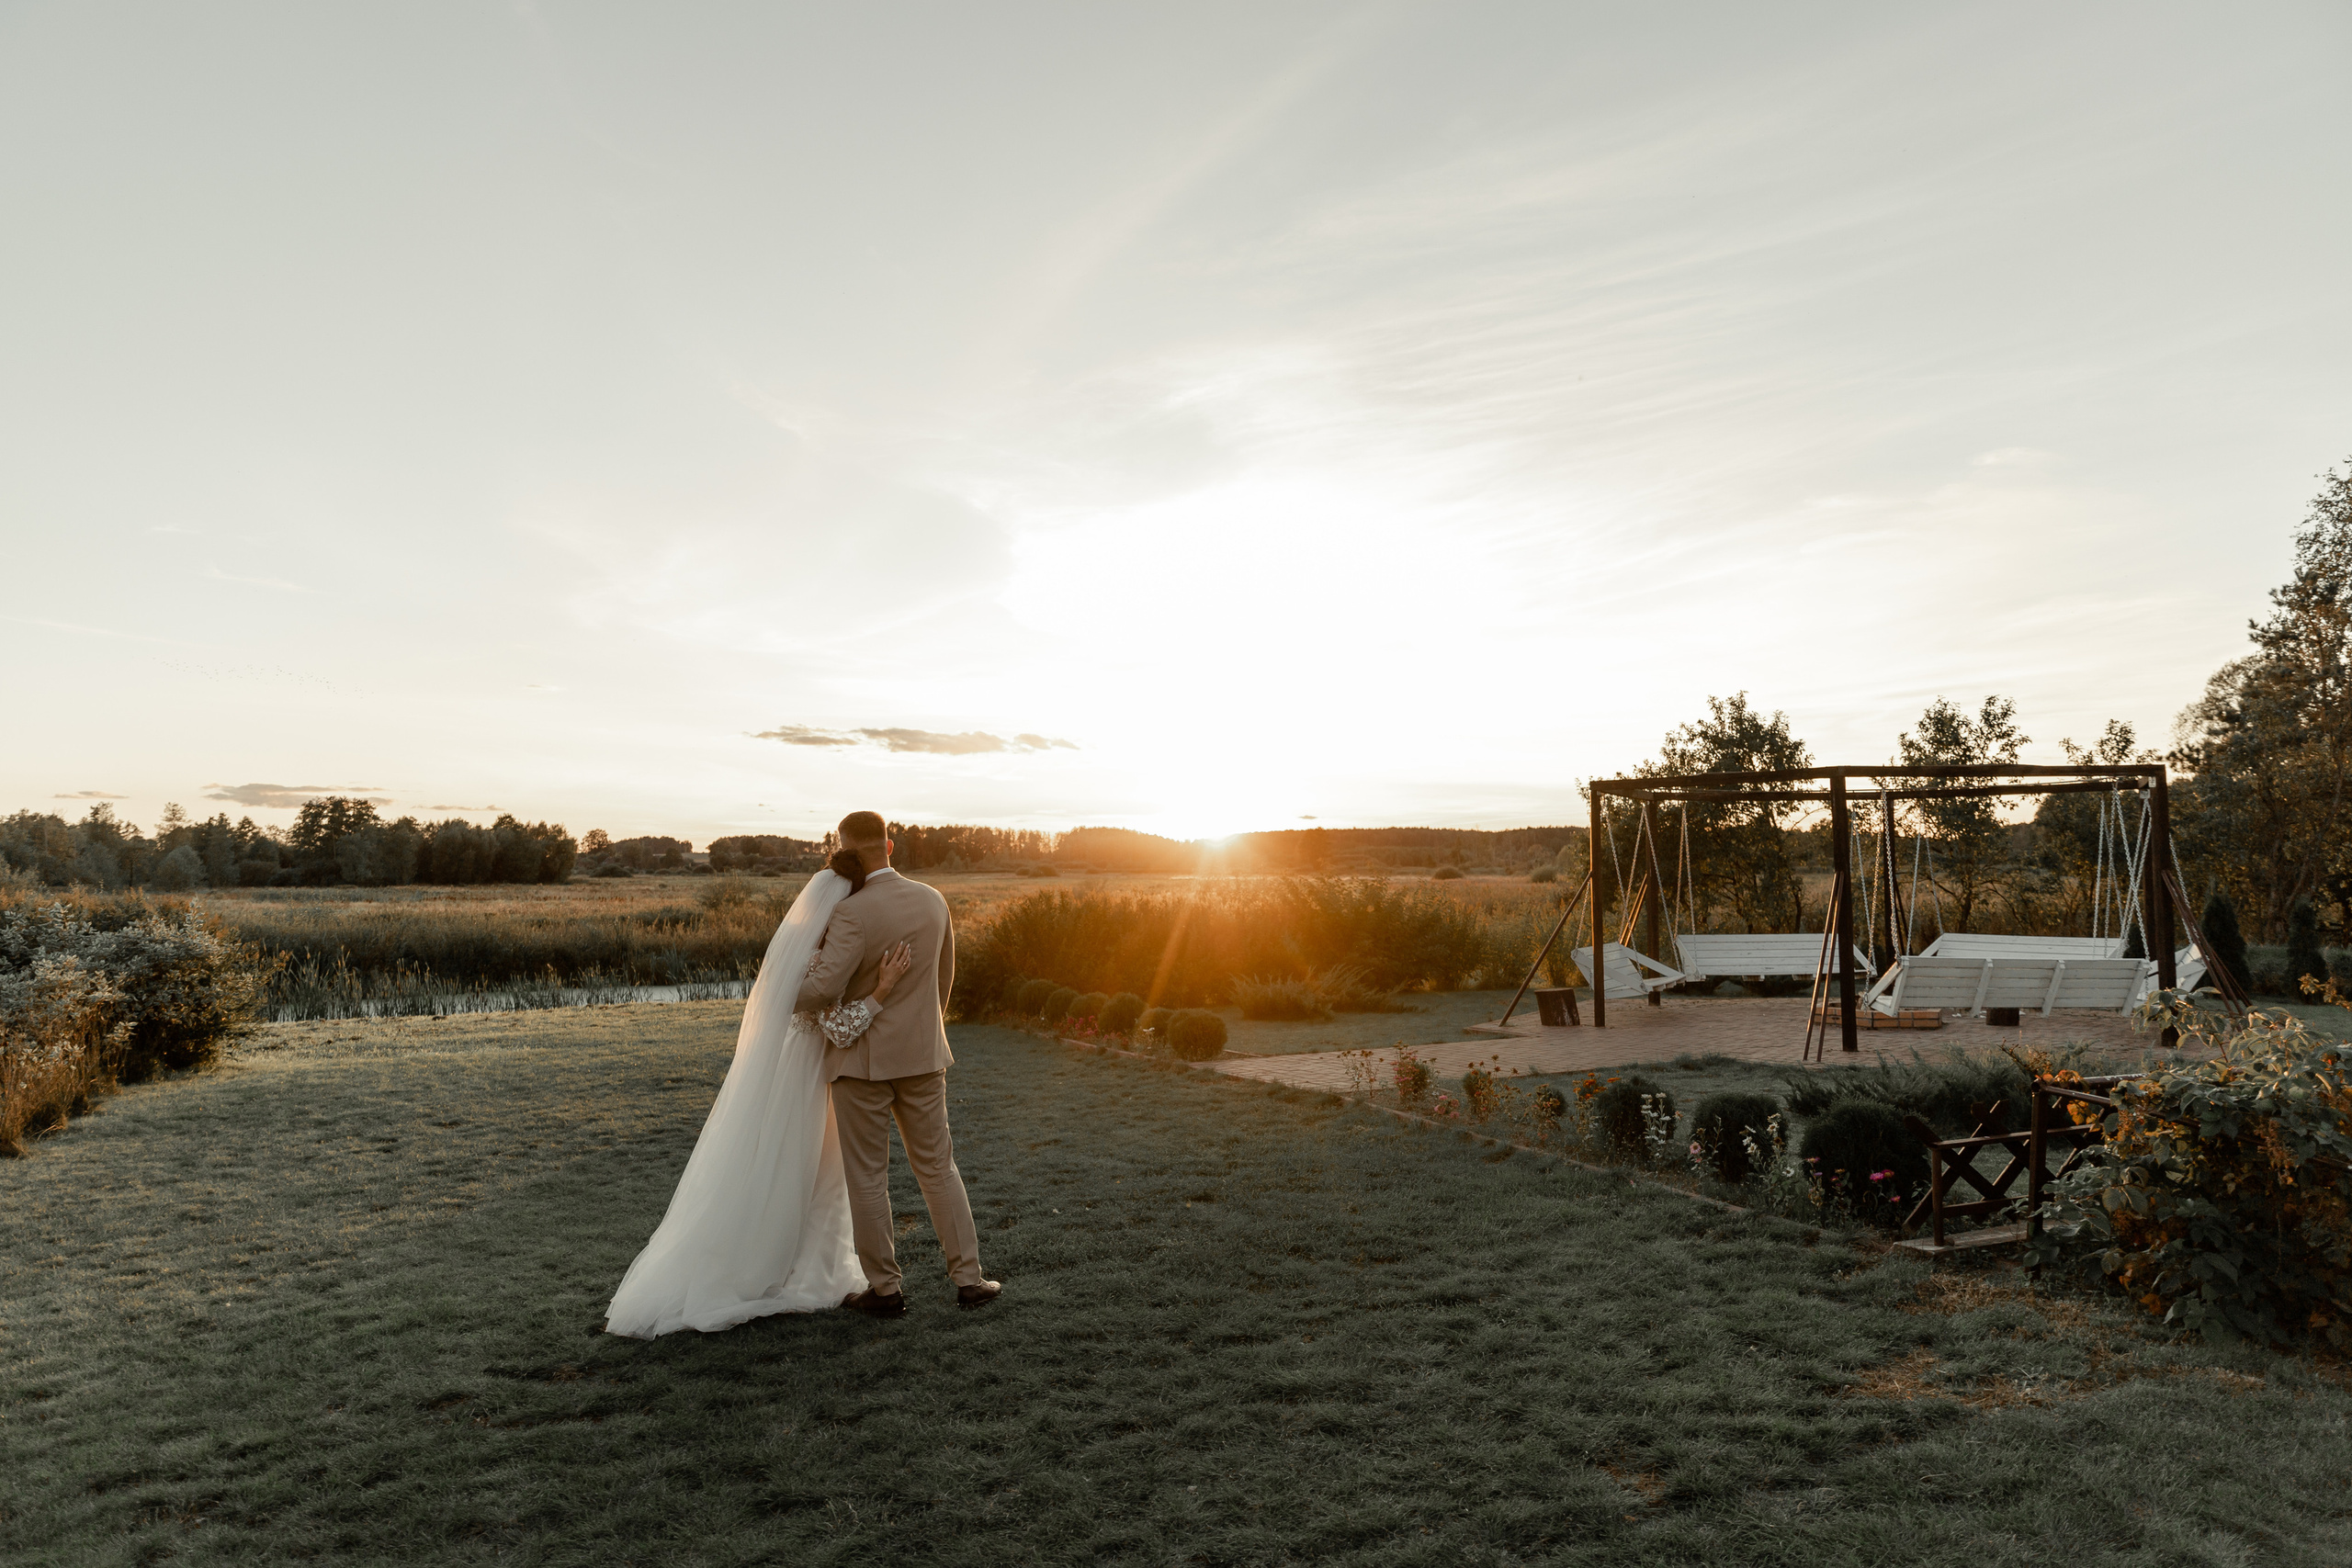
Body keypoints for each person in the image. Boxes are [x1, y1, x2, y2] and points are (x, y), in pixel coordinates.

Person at [603, 850, 917, 1337]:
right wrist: (882, 988)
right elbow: (836, 1027)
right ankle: (795, 1269)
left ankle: (808, 1263)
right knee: (806, 1172)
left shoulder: (804, 948)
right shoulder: (824, 958)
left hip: (793, 1064)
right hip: (810, 1075)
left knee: (791, 1169)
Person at [796, 810, 1001, 1315]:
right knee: (938, 1168)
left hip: (861, 1064)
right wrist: (925, 1028)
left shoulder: (852, 913)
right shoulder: (933, 900)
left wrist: (780, 986)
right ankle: (970, 1280)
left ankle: (886, 1291)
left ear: (843, 851)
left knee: (868, 1177)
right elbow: (943, 977)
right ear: (889, 846)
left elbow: (822, 989)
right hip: (924, 1056)